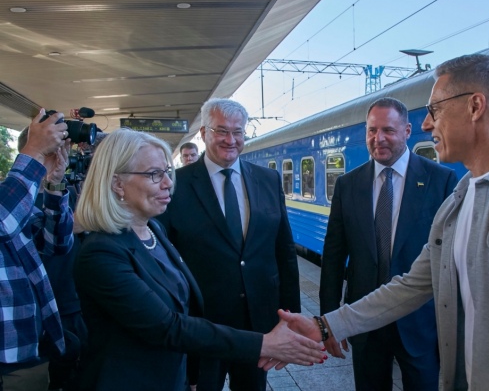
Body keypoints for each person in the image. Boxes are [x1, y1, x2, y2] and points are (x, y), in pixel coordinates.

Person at [281, 53, 489, 390]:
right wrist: (326, 325)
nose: (427, 124)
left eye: (436, 110)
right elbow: (411, 286)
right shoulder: (458, 200)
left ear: (475, 107)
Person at [73, 128, 323, 391]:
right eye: (154, 174)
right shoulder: (101, 254)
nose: (168, 183)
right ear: (117, 183)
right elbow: (167, 327)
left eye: (167, 172)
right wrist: (265, 343)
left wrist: (190, 375)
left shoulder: (153, 231)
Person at [158, 98, 301, 391]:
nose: (230, 140)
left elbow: (284, 251)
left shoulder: (268, 179)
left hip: (258, 322)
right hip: (201, 323)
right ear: (203, 133)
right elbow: (164, 256)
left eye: (237, 132)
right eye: (221, 131)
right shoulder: (175, 184)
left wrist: (291, 317)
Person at [319, 97, 457, 390]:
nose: (378, 138)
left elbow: (450, 258)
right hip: (365, 323)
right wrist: (330, 321)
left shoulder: (441, 180)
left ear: (407, 131)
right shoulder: (348, 185)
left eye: (388, 130)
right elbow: (333, 257)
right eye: (372, 130)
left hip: (420, 323)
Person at [0, 109, 74, 391]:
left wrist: (54, 183)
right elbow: (3, 222)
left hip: (26, 350)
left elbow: (56, 243)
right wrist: (33, 151)